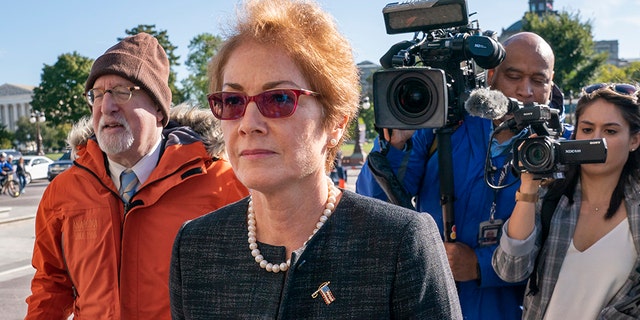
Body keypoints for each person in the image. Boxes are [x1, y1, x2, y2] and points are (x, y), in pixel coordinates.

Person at [168, 0, 462, 318]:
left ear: (335, 123)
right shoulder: (195, 247)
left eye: (279, 98)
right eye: (232, 101)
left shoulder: (399, 242)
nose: (248, 124)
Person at [25, 33, 249, 320]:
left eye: (122, 91)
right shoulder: (62, 192)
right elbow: (50, 286)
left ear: (158, 109)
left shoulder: (225, 184)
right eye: (97, 94)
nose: (106, 107)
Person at [356, 32, 563, 319]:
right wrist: (396, 145)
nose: (525, 90)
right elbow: (377, 207)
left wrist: (480, 266)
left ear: (551, 87)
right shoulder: (443, 125)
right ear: (491, 76)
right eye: (513, 76)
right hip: (429, 301)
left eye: (539, 81)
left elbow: (559, 249)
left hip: (505, 309)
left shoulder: (554, 150)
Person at [493, 83, 640, 319]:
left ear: (634, 140)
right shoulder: (551, 196)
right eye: (587, 129)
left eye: (610, 131)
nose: (596, 140)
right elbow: (511, 271)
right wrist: (529, 189)